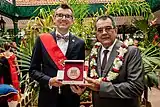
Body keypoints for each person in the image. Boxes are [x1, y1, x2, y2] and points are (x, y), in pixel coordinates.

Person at [29, 4, 85, 107]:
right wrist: (49, 80)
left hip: (71, 98)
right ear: (54, 19)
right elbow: (33, 70)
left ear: (73, 21)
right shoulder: (42, 40)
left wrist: (81, 88)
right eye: (60, 15)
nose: (63, 18)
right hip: (48, 98)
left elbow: (82, 70)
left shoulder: (80, 43)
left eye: (67, 16)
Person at [84, 15, 144, 107]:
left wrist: (102, 87)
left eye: (108, 28)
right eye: (100, 30)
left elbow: (136, 87)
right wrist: (83, 88)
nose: (104, 33)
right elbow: (92, 81)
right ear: (96, 33)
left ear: (115, 30)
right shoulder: (94, 52)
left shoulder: (130, 52)